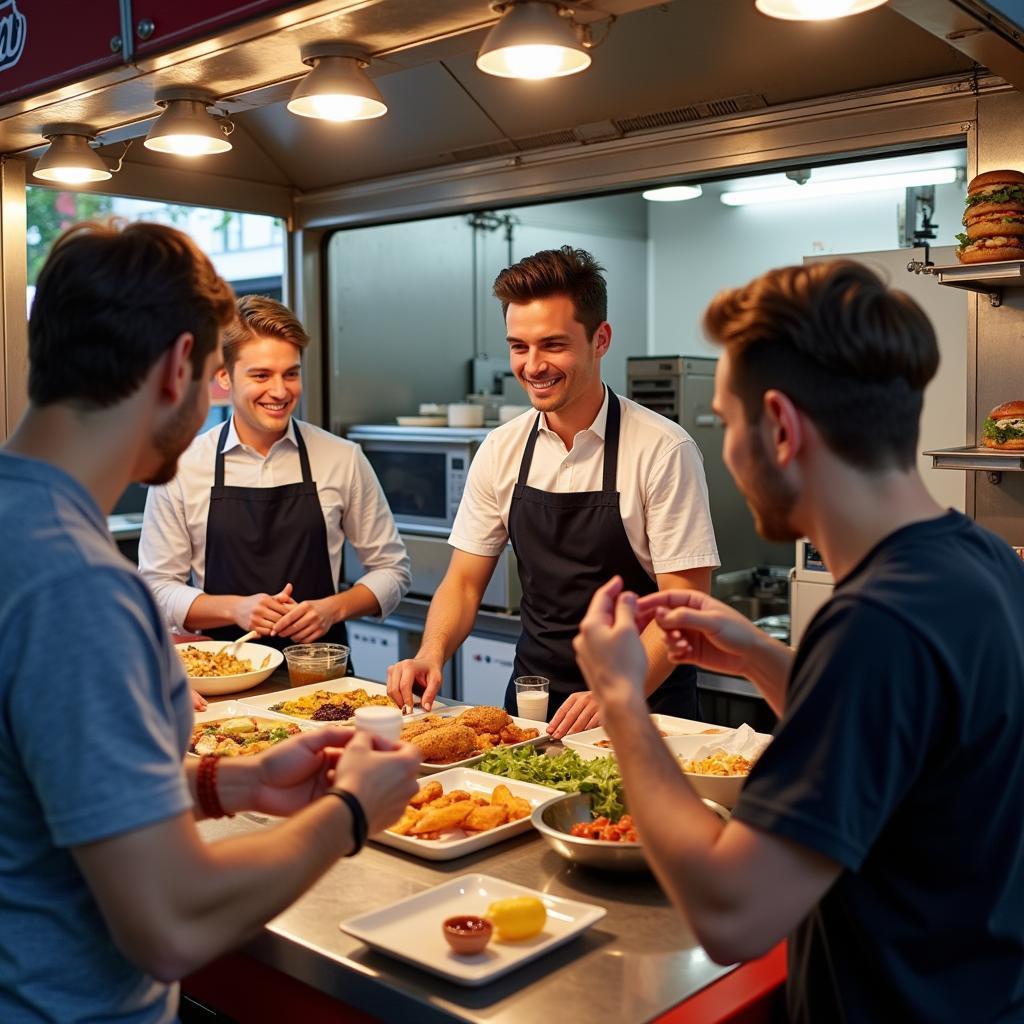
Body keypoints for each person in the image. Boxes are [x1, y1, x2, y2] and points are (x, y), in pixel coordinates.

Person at [573, 260, 1024, 1023]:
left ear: (780, 427)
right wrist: (759, 653)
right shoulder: (976, 559)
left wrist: (621, 701)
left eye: (726, 421)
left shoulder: (878, 625)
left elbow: (731, 914)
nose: (724, 451)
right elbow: (902, 746)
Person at [0, 219, 421, 1024]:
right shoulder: (79, 586)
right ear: (181, 368)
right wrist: (352, 811)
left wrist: (228, 782)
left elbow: (44, 792)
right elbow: (172, 922)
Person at [388, 246, 719, 736]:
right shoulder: (501, 449)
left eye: (554, 345)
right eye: (519, 346)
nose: (533, 365)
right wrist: (431, 650)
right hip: (534, 706)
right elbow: (463, 582)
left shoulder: (663, 450)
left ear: (600, 339)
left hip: (645, 706)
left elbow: (685, 605)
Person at [139, 294, 410, 653]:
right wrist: (236, 609)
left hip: (321, 678)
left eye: (291, 374)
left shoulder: (342, 458)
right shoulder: (183, 466)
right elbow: (156, 588)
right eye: (261, 375)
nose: (280, 391)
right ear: (224, 375)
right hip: (225, 674)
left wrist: (332, 609)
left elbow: (393, 570)